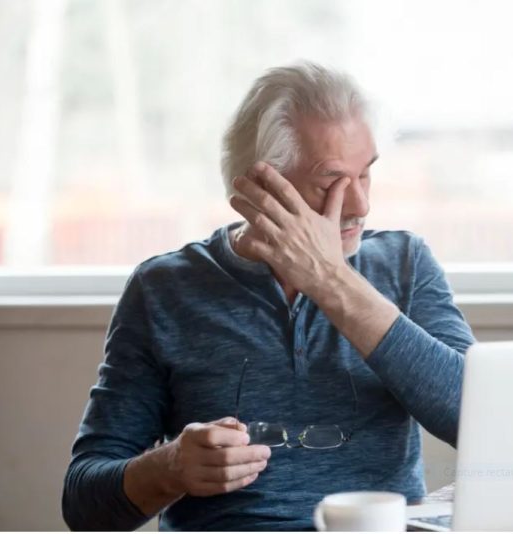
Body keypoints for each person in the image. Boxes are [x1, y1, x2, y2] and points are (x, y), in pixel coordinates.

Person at [62, 61, 475, 531]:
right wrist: (169, 467)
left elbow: (480, 422)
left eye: (366, 175)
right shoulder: (164, 289)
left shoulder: (405, 263)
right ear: (262, 188)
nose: (360, 204)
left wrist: (330, 281)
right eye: (331, 183)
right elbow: (84, 505)